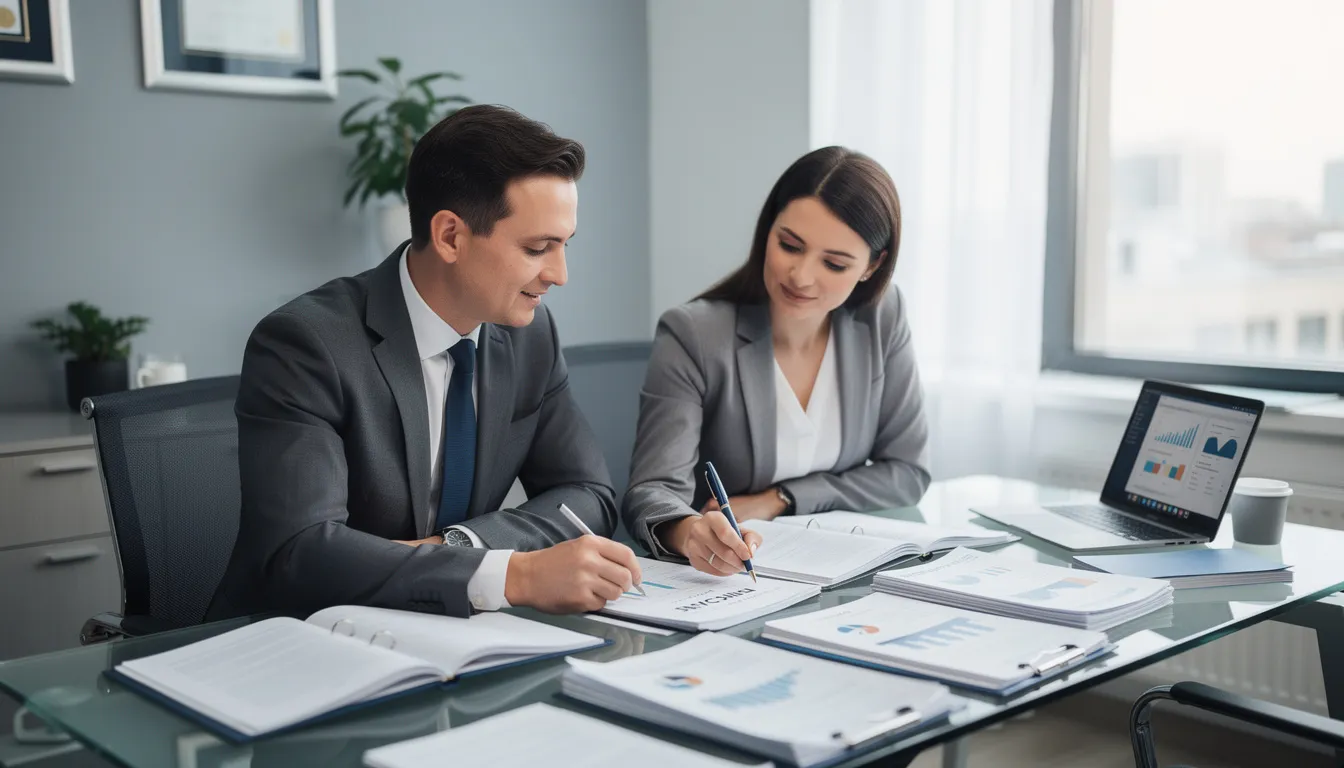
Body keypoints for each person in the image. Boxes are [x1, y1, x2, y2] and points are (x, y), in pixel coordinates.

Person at [209, 105, 641, 620]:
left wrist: (462, 546)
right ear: (451, 236)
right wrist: (514, 573)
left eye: (565, 245)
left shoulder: (529, 335)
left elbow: (587, 495)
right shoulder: (306, 344)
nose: (559, 274)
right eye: (537, 248)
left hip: (447, 635)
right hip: (298, 640)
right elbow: (301, 553)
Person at [623, 146, 931, 576]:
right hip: (729, 575)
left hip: (846, 572)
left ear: (871, 267)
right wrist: (690, 530)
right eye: (789, 245)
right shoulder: (694, 334)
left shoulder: (882, 316)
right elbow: (652, 492)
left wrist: (782, 498)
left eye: (835, 263)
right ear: (768, 229)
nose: (801, 276)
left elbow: (907, 473)